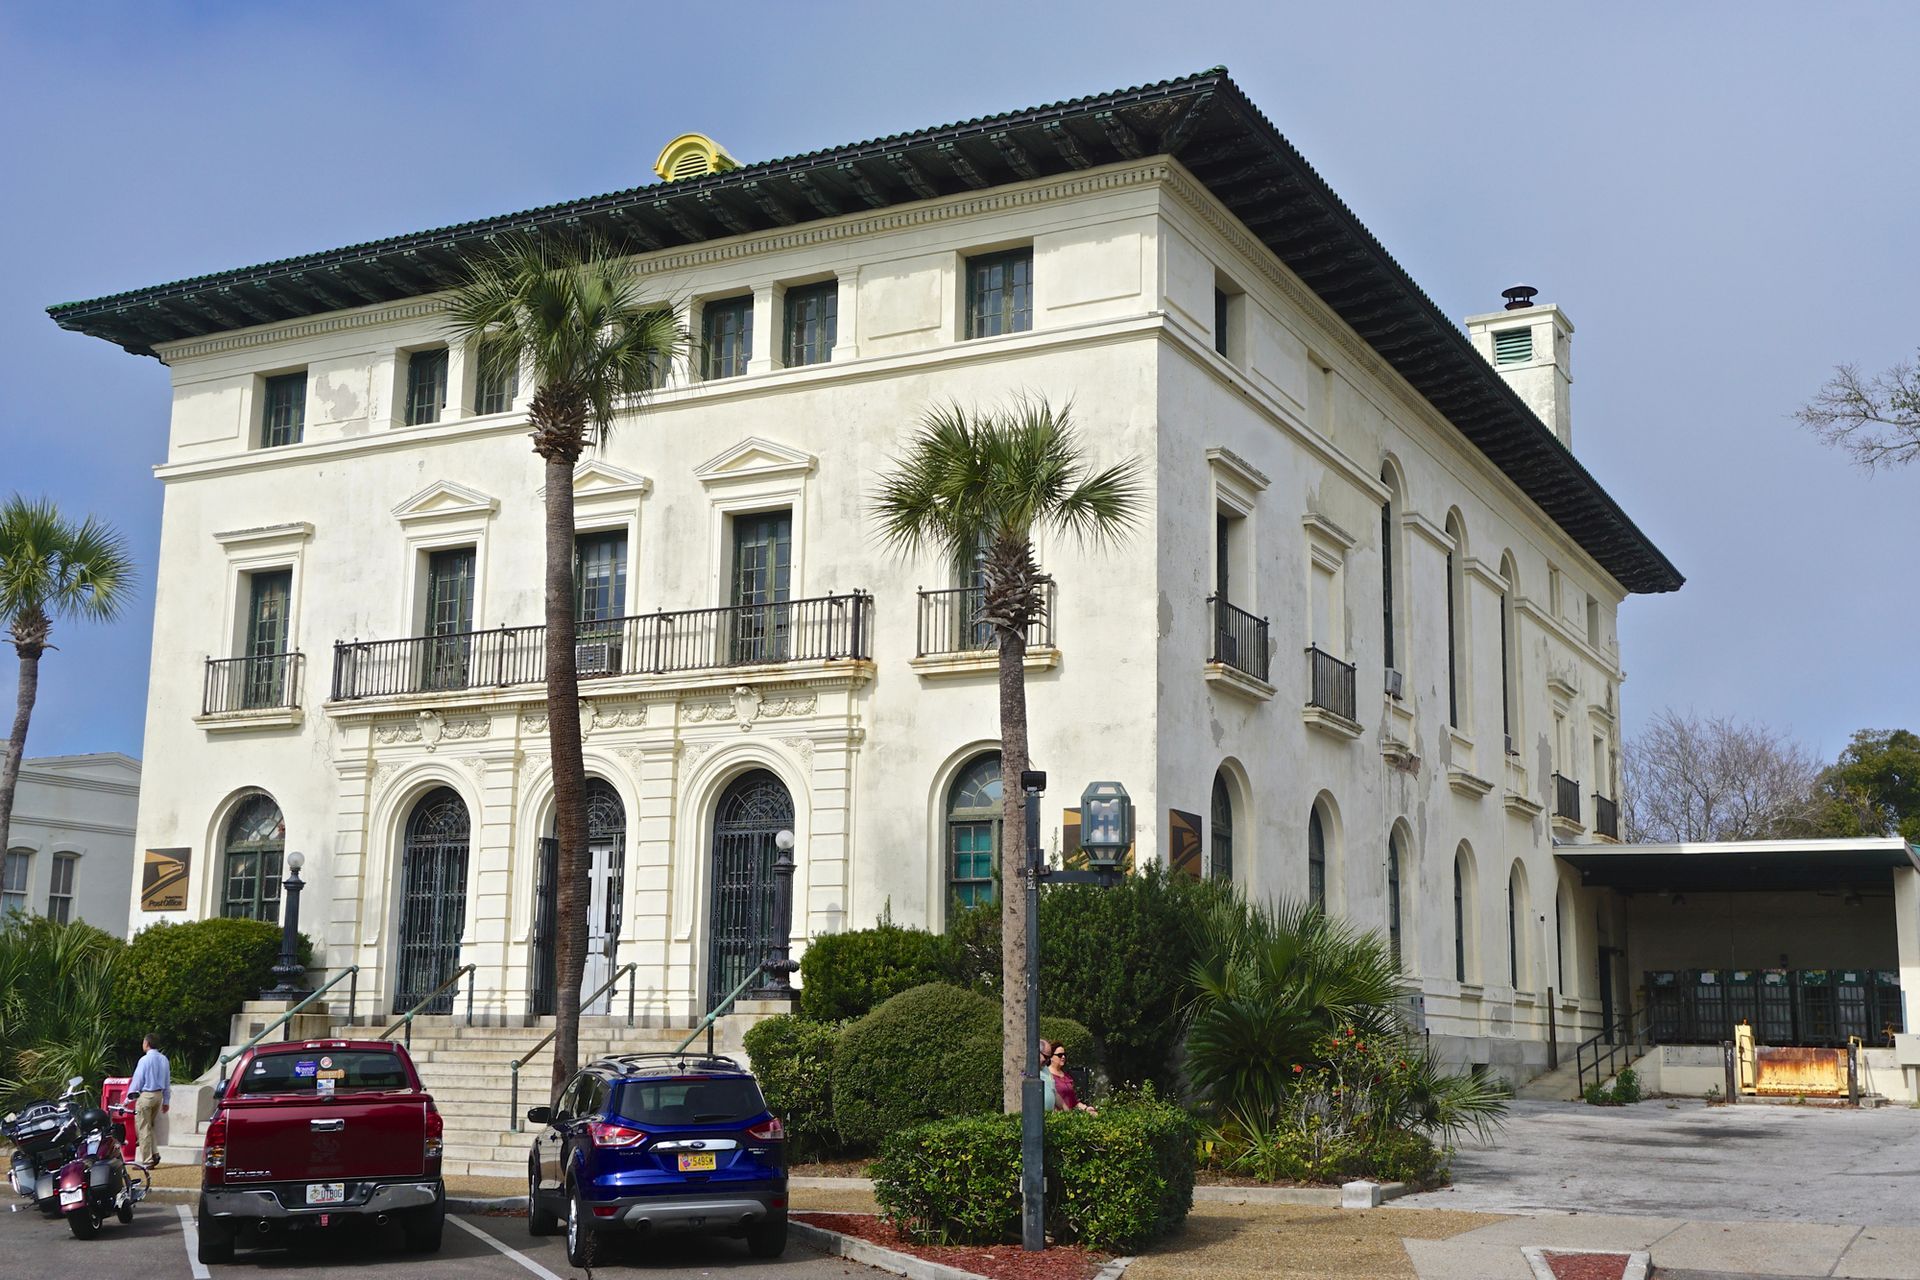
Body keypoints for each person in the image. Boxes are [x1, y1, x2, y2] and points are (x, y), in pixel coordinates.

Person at [126, 1032, 171, 1167]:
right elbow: (167, 1081)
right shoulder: (164, 1059)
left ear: (147, 1043)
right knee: (149, 1126)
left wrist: (128, 1098)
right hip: (159, 1095)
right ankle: (155, 1153)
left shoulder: (144, 1060)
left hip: (146, 1095)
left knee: (143, 1127)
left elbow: (137, 1081)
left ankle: (147, 1160)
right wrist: (167, 1100)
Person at [1046, 1042, 1096, 1115]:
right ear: (1051, 1057)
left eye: (1064, 1055)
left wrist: (1086, 1108)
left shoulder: (1066, 1076)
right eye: (1059, 1055)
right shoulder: (1046, 1075)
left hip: (1069, 1117)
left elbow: (1073, 1101)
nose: (1063, 1057)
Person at [1038, 1039, 1058, 1111]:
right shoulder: (1028, 1071)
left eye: (1049, 1057)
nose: (1047, 1060)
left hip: (1049, 1117)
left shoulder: (1046, 1069)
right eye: (1045, 1057)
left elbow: (1054, 1092)